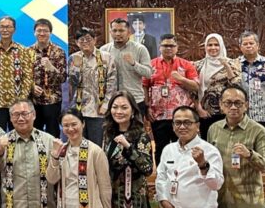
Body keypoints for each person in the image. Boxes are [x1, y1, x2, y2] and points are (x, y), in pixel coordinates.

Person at [143, 34, 199, 164]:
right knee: (160, 147)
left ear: (177, 48)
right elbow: (145, 86)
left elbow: (196, 86)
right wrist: (147, 107)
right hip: (158, 115)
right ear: (160, 47)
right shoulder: (151, 64)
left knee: (182, 147)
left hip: (181, 117)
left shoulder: (186, 65)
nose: (168, 48)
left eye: (172, 46)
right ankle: (161, 179)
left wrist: (181, 79)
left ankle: (182, 178)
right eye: (165, 45)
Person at [0, 16, 33, 131]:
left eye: (8, 27)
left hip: (17, 104)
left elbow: (28, 77)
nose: (5, 30)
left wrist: (22, 100)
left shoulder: (23, 50)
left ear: (14, 29)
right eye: (2, 27)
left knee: (19, 136)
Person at [69, 27, 117, 145]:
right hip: (79, 109)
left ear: (95, 40)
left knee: (97, 144)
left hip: (99, 109)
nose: (85, 42)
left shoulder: (106, 57)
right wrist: (75, 68)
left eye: (88, 39)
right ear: (76, 42)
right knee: (79, 144)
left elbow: (112, 83)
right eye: (81, 40)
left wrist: (106, 104)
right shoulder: (73, 58)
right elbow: (72, 84)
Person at [100, 18, 152, 118]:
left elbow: (148, 73)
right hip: (111, 101)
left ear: (129, 32)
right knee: (112, 132)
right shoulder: (104, 50)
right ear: (110, 32)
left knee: (136, 132)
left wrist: (134, 63)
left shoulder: (140, 49)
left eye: (121, 30)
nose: (118, 34)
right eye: (114, 30)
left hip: (135, 100)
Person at [238, 30, 265, 140]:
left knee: (264, 149)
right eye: (245, 44)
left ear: (257, 45)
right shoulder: (235, 63)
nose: (248, 46)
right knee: (243, 149)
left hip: (263, 114)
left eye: (251, 43)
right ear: (240, 47)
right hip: (241, 115)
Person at [196, 33, 242, 139]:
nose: (213, 48)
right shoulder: (198, 65)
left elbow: (236, 85)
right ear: (205, 47)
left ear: (221, 46)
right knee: (206, 142)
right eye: (210, 45)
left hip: (227, 111)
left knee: (226, 142)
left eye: (216, 45)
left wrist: (226, 65)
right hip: (205, 111)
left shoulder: (233, 63)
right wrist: (199, 109)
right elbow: (193, 90)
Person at [28, 18, 67, 137]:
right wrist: (32, 87)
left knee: (53, 133)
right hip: (34, 99)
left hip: (52, 99)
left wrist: (51, 68)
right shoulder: (27, 52)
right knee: (34, 133)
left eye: (45, 31)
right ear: (34, 32)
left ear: (50, 33)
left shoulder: (58, 51)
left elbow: (63, 78)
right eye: (39, 30)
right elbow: (23, 76)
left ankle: (54, 155)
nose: (42, 33)